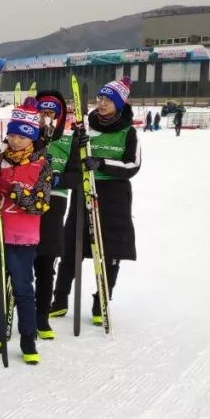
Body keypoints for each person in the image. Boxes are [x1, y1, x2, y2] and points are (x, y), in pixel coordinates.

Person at [50, 77, 141, 325]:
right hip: (85, 189)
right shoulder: (86, 128)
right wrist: (78, 150)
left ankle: (101, 299)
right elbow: (71, 160)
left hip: (114, 195)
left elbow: (132, 165)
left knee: (109, 250)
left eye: (107, 100)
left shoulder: (128, 132)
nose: (101, 104)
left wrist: (101, 163)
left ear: (119, 104)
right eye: (100, 99)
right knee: (72, 245)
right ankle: (59, 299)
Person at [0, 99, 53, 364]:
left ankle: (28, 337)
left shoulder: (41, 163)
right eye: (11, 134)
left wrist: (9, 189)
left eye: (21, 136)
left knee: (22, 288)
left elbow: (40, 203)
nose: (15, 140)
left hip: (22, 235)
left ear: (31, 137)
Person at [31, 91, 69, 341]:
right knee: (21, 261)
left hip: (54, 202)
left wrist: (58, 177)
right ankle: (19, 309)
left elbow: (76, 176)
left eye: (50, 114)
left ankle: (42, 314)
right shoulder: (27, 138)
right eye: (42, 113)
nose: (46, 118)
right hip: (27, 201)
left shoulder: (67, 142)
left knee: (45, 263)